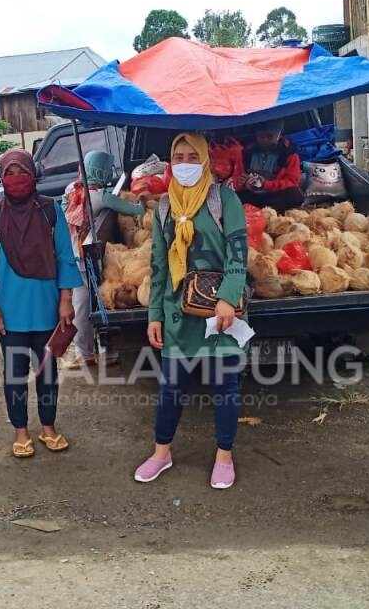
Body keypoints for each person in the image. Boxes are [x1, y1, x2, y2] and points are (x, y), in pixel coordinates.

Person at [135, 133, 248, 490]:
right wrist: (154, 313)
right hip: (177, 311)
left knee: (225, 386)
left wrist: (229, 297)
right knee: (171, 386)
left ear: (204, 160)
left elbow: (238, 253)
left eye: (191, 156)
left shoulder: (223, 199)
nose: (184, 163)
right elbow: (157, 264)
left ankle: (224, 456)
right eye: (178, 157)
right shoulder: (166, 206)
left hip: (219, 311)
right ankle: (161, 452)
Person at [0, 149, 82, 458]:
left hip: (47, 307)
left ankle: (48, 427)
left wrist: (66, 300)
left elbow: (65, 256)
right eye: (9, 173)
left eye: (21, 171)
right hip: (9, 311)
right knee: (15, 374)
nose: (15, 178)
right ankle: (21, 431)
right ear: (1, 177)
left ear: (33, 174)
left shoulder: (50, 210)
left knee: (47, 373)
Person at [61, 150, 144, 368]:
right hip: (83, 257)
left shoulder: (73, 189)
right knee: (86, 303)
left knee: (84, 301)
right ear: (102, 171)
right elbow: (134, 209)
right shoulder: (100, 197)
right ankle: (86, 353)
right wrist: (144, 200)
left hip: (71, 252)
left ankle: (92, 350)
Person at [235, 120, 304, 211]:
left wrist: (267, 185)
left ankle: (266, 210)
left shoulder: (288, 154)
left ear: (279, 134)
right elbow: (237, 179)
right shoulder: (246, 151)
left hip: (274, 194)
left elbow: (292, 181)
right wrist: (242, 182)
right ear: (256, 135)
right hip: (252, 195)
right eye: (261, 136)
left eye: (270, 136)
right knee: (233, 197)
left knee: (294, 194)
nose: (265, 140)